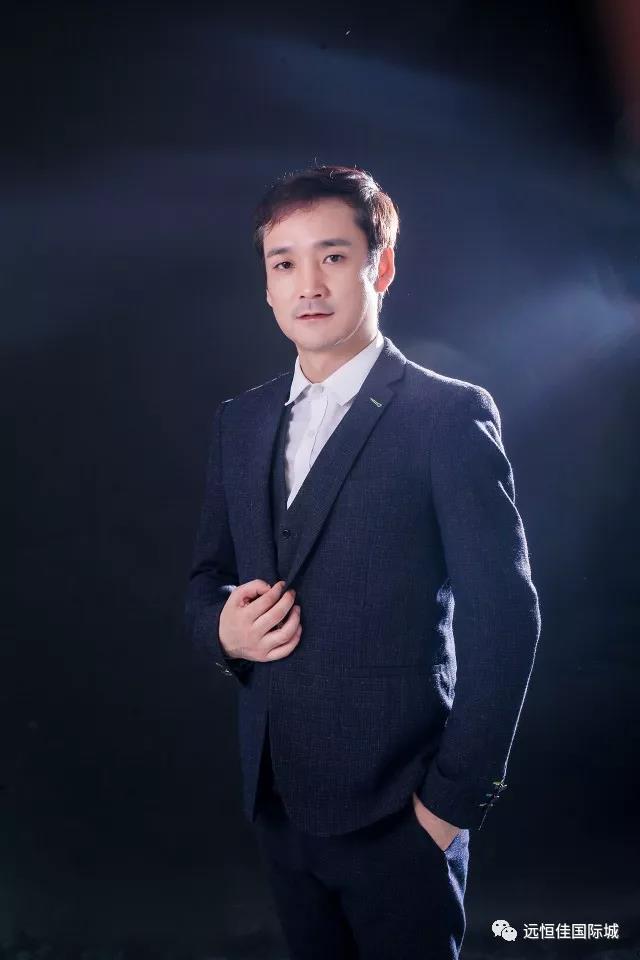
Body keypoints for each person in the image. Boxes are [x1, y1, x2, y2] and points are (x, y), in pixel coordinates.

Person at [184, 163, 541, 959]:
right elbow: (204, 581)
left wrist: (449, 808)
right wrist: (222, 634)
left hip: (402, 811)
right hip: (278, 801)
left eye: (334, 256)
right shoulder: (240, 422)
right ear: (267, 285)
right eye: (285, 263)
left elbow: (506, 619)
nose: (308, 284)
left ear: (380, 268)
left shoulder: (447, 415)